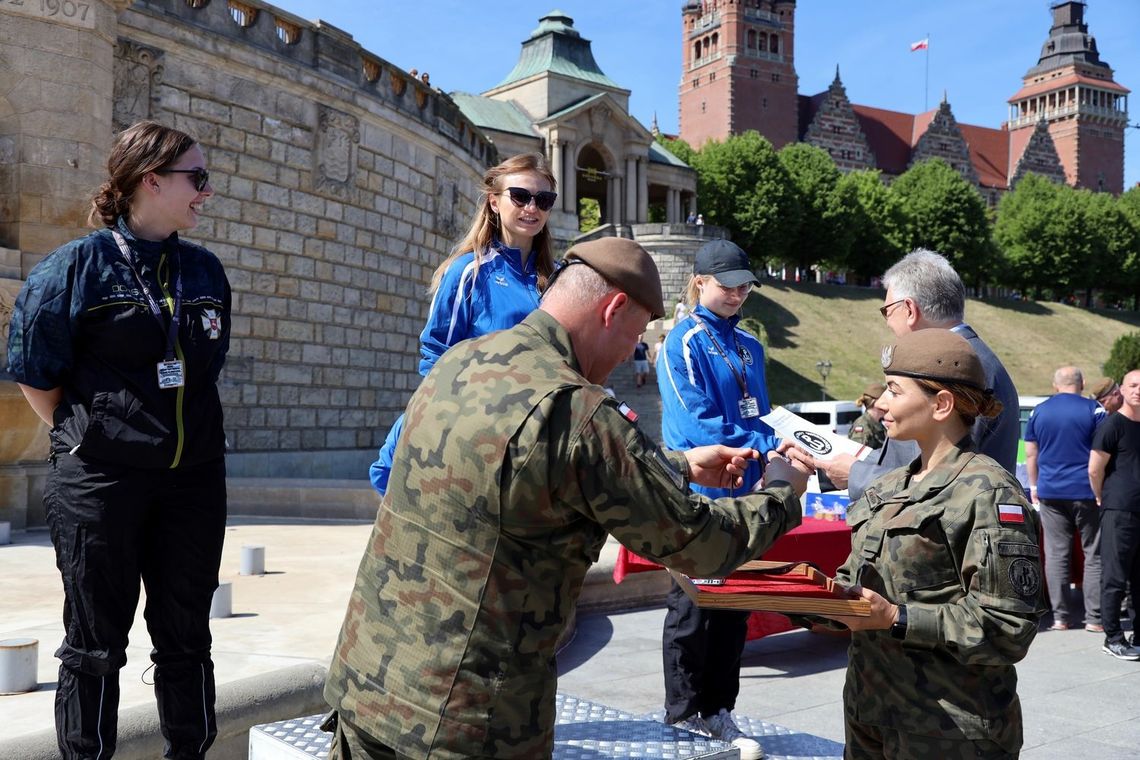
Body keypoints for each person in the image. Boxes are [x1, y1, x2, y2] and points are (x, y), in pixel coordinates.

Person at [323, 238, 811, 759]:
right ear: (614, 308)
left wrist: (679, 464)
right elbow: (699, 543)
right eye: (637, 333)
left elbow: (532, 468)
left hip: (367, 687)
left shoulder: (462, 360)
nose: (631, 353)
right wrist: (783, 490)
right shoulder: (579, 413)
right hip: (467, 721)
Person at [6, 121, 231, 759]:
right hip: (102, 482)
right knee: (95, 641)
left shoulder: (205, 271)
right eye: (198, 178)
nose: (205, 193)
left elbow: (204, 372)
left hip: (193, 480)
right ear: (150, 180)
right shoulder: (76, 268)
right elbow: (38, 375)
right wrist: (95, 438)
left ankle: (189, 751)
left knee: (187, 634)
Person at [816, 329, 1044, 759]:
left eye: (894, 391)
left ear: (941, 404)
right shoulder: (889, 487)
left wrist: (897, 617)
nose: (880, 404)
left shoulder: (988, 492)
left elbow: (1008, 629)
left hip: (948, 731)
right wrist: (800, 597)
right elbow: (855, 583)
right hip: (871, 716)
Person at [368, 152, 557, 495]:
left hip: (530, 437)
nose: (532, 208)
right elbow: (437, 355)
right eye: (520, 196)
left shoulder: (558, 281)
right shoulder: (468, 272)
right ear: (495, 202)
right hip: (471, 430)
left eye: (543, 200)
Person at [656, 239, 777, 759]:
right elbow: (696, 425)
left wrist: (778, 440)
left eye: (744, 284)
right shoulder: (682, 342)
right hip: (699, 496)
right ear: (699, 282)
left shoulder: (751, 346)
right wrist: (763, 444)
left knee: (736, 608)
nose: (737, 293)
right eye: (726, 284)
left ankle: (719, 709)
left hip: (744, 493)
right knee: (692, 609)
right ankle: (682, 714)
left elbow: (763, 416)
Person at [812, 250, 1019, 502]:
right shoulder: (966, 361)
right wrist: (824, 462)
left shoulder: (959, 369)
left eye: (887, 310)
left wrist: (857, 475)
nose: (887, 322)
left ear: (909, 309)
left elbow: (939, 483)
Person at [1024, 366, 1106, 632]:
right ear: (1081, 384)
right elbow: (1103, 452)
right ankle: (1094, 618)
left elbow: (1031, 454)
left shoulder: (1039, 411)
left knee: (1056, 554)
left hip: (1051, 490)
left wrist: (1034, 485)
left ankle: (1060, 618)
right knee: (1094, 553)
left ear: (1055, 384)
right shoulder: (1094, 410)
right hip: (1087, 491)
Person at [1089, 369, 1140, 660]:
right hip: (1119, 509)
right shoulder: (1112, 425)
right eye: (1133, 385)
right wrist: (1101, 495)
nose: (1138, 391)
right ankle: (1113, 637)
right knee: (1115, 577)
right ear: (1122, 389)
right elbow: (1095, 468)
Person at [847, 382, 887, 450]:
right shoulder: (862, 425)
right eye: (886, 401)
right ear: (876, 403)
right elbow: (857, 455)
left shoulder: (877, 424)